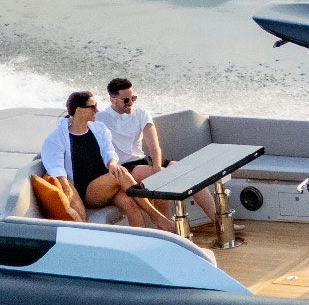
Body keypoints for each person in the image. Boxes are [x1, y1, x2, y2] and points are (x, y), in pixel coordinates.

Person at [97, 75, 215, 228]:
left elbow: (154, 145)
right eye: (126, 100)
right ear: (112, 99)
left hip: (143, 161)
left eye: (133, 98)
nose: (130, 103)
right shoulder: (100, 119)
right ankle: (163, 227)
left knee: (185, 171)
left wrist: (158, 166)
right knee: (158, 178)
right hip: (124, 168)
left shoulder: (141, 114)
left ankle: (218, 220)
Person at [40, 91, 164, 228]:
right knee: (120, 174)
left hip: (106, 186)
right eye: (93, 106)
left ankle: (139, 244)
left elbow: (109, 152)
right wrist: (68, 190)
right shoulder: (57, 137)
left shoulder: (99, 129)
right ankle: (155, 216)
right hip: (87, 191)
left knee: (130, 204)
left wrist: (112, 164)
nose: (97, 110)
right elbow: (56, 168)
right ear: (80, 110)